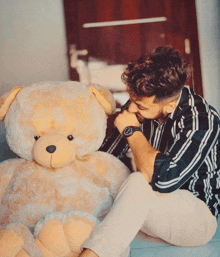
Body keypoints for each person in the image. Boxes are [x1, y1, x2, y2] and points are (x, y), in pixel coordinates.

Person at [79, 46, 220, 257]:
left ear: (170, 106)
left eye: (140, 107)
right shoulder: (141, 101)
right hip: (148, 210)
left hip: (197, 220)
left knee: (137, 181)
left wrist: (131, 130)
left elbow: (164, 182)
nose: (132, 110)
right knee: (106, 177)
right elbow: (105, 158)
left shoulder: (202, 120)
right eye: (132, 101)